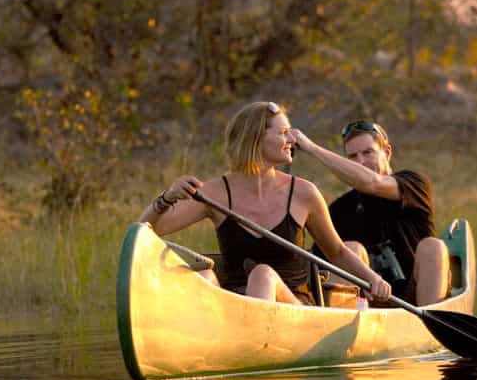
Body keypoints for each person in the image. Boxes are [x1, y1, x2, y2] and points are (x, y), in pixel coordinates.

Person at [138, 101, 390, 306]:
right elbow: (144, 233)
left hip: (293, 308)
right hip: (236, 306)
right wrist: (166, 198)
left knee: (263, 274)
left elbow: (337, 252)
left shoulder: (303, 192)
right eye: (282, 133)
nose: (292, 138)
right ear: (256, 138)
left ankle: (258, 348)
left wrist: (373, 280)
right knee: (203, 276)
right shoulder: (215, 193)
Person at [291, 120, 449, 306]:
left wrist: (311, 148)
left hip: (417, 297)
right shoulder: (339, 210)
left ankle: (431, 325)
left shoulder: (414, 185)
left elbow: (372, 183)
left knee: (433, 246)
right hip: (365, 303)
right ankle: (340, 326)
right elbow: (316, 266)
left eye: (368, 152)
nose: (361, 162)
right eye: (353, 157)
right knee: (351, 249)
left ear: (387, 153)